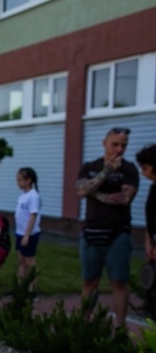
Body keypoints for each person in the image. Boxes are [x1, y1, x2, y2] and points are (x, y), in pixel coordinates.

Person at [76, 127, 139, 329]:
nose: (119, 149)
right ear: (105, 143)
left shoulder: (129, 170)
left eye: (124, 145)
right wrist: (106, 173)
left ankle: (120, 327)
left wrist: (94, 193)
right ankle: (84, 325)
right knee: (89, 282)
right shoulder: (89, 167)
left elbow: (124, 199)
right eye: (115, 144)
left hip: (117, 233)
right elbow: (81, 190)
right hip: (91, 232)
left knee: (119, 283)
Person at [14, 167, 41, 290]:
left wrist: (27, 235)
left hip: (29, 234)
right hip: (19, 232)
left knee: (30, 261)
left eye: (20, 180)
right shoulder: (23, 196)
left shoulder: (33, 196)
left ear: (28, 180)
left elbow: (32, 216)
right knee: (21, 260)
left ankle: (32, 287)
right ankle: (20, 286)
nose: (18, 183)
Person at [138, 145, 156, 262]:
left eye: (145, 168)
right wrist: (148, 241)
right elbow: (150, 217)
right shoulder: (153, 188)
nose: (142, 173)